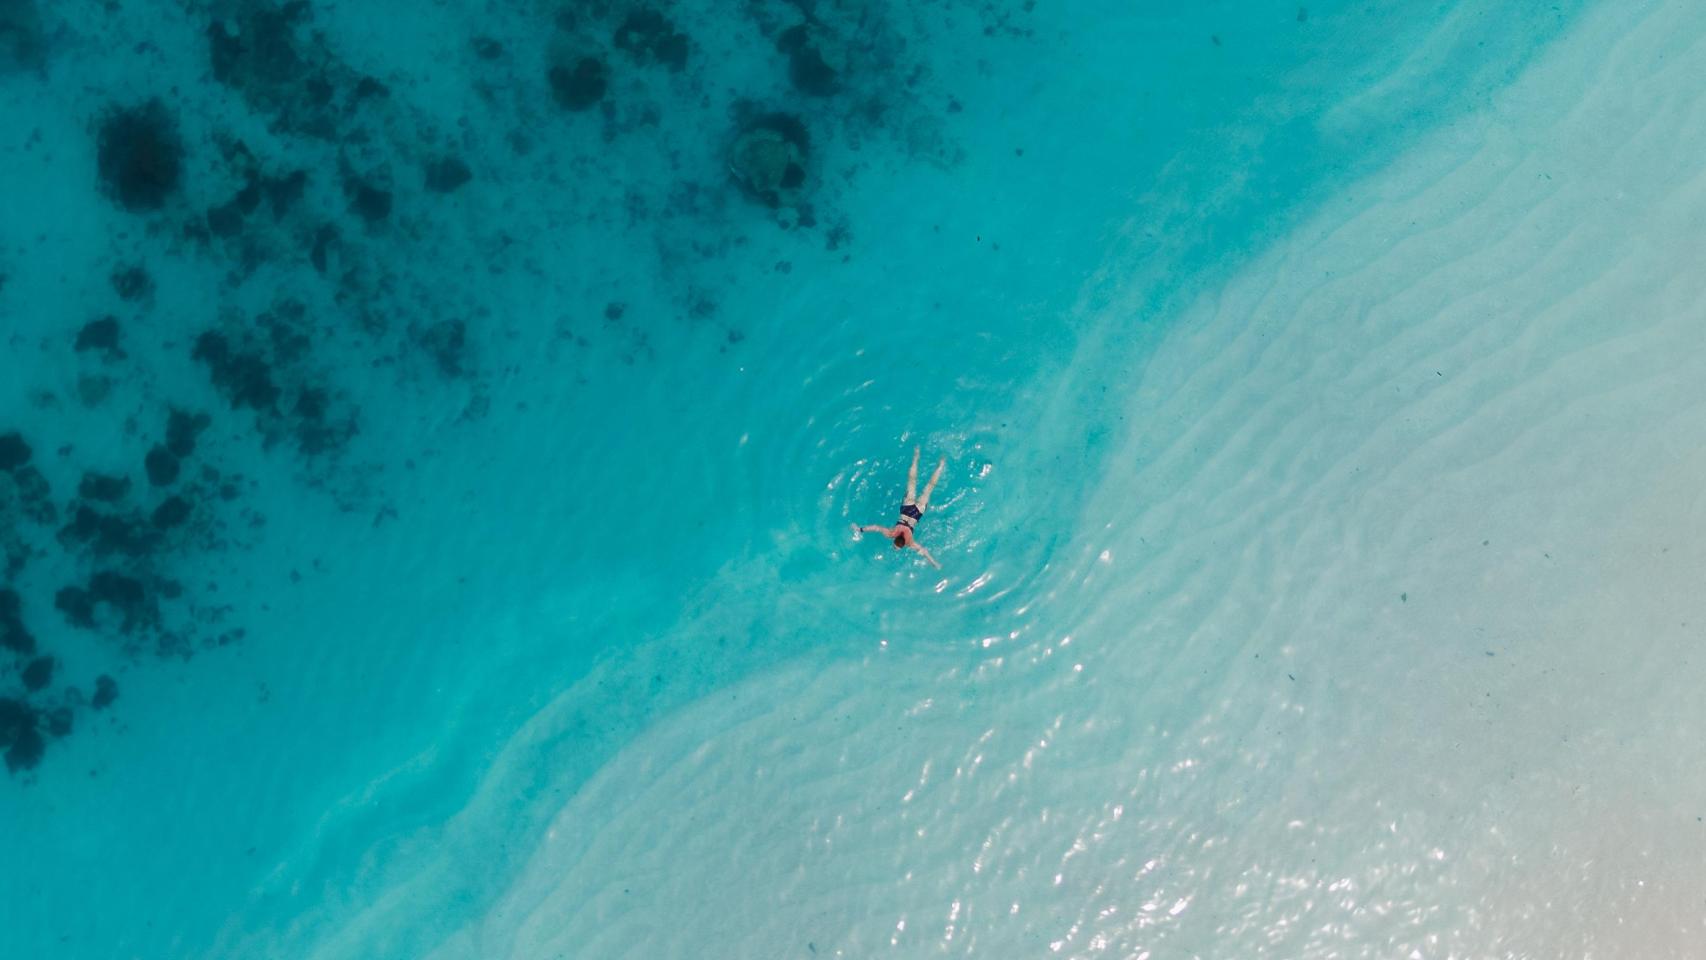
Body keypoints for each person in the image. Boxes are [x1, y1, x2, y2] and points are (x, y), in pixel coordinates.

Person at [852, 446, 946, 568]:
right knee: (912, 481)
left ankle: (940, 465)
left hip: (917, 513)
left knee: (930, 487)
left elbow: (924, 552)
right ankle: (916, 456)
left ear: (903, 543)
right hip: (906, 508)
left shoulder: (910, 543)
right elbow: (875, 527)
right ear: (895, 539)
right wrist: (859, 529)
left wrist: (934, 563)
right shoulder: (890, 533)